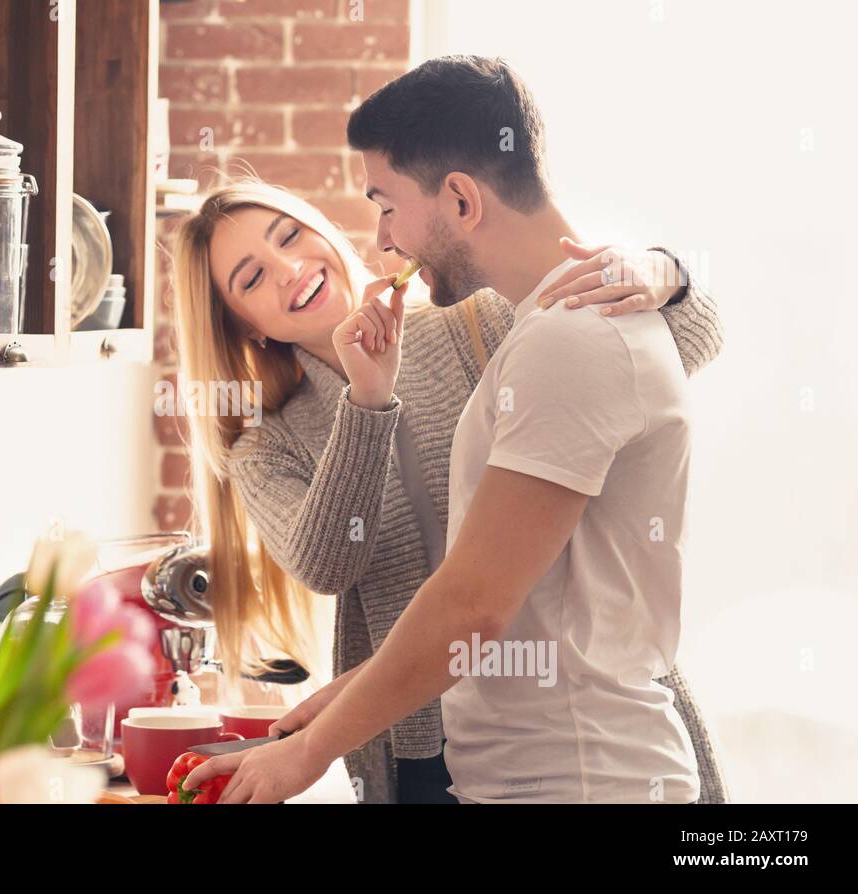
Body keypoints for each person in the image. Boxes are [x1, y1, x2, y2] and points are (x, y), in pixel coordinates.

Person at [176, 56, 725, 803]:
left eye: (289, 235)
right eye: (249, 278)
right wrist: (367, 404)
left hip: (565, 733)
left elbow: (661, 349)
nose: (286, 267)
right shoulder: (265, 439)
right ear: (243, 325)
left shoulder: (484, 318)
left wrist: (659, 270)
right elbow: (333, 563)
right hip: (426, 732)